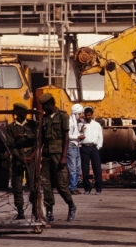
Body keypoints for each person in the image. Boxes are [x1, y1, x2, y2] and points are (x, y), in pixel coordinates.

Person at [39, 92, 76, 222]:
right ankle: (49, 210)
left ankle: (71, 205)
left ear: (50, 104)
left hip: (59, 153)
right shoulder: (44, 118)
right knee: (46, 184)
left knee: (61, 184)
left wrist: (64, 156)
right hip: (47, 153)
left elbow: (66, 137)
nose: (42, 108)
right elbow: (42, 138)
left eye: (44, 105)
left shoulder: (63, 116)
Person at [6, 103, 37, 219]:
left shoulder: (32, 125)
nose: (22, 115)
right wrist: (19, 157)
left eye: (24, 112)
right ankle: (20, 211)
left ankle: (35, 208)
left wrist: (32, 156)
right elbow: (11, 145)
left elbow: (37, 141)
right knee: (17, 185)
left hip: (30, 155)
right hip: (18, 157)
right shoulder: (11, 127)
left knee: (33, 184)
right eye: (20, 112)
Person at [79, 106, 103, 195]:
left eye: (89, 115)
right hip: (84, 148)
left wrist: (98, 147)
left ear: (92, 115)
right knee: (85, 169)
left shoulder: (97, 125)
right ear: (84, 115)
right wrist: (81, 131)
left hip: (93, 148)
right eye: (86, 115)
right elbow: (78, 136)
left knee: (97, 168)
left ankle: (98, 188)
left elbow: (100, 137)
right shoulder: (81, 124)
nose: (88, 117)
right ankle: (87, 188)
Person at [67, 104, 84, 195]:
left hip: (76, 147)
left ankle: (75, 186)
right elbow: (68, 136)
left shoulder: (76, 122)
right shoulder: (70, 121)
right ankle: (72, 188)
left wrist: (80, 131)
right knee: (72, 169)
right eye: (80, 113)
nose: (81, 115)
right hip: (71, 146)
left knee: (78, 169)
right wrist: (78, 136)